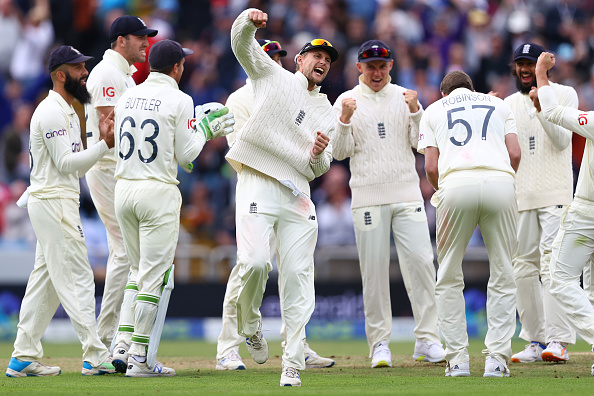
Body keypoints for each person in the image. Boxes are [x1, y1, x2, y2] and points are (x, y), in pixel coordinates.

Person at [227, 8, 336, 387]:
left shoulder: (327, 110)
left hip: (297, 195)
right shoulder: (271, 76)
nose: (321, 62)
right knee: (255, 264)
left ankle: (293, 363)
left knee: (299, 278)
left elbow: (321, 167)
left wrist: (320, 152)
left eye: (327, 59)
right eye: (315, 56)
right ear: (299, 60)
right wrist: (246, 20)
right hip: (258, 180)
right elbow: (241, 46)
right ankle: (252, 324)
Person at [112, 39, 234, 377]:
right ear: (177, 67)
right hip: (157, 192)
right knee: (155, 275)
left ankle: (121, 347)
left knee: (136, 272)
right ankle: (139, 357)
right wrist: (206, 130)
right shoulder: (181, 99)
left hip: (124, 189)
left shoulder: (128, 95)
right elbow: (186, 155)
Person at [332, 40, 445, 368]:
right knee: (374, 273)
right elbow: (339, 153)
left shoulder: (406, 96)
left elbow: (421, 146)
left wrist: (416, 112)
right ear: (359, 68)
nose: (377, 72)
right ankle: (380, 344)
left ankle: (427, 339)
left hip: (407, 194)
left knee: (423, 264)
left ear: (391, 66)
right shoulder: (346, 101)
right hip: (367, 198)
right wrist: (343, 120)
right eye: (370, 66)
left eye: (382, 66)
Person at [6, 45, 117, 377]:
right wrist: (104, 145)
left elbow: (76, 170)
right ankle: (95, 355)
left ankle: (23, 355)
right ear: (59, 75)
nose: (84, 72)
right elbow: (67, 164)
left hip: (59, 199)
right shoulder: (52, 111)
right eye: (77, 68)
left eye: (84, 66)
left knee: (48, 283)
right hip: (53, 202)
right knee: (77, 277)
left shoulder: (70, 109)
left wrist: (98, 142)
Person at [418, 71, 521, 377]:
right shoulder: (499, 105)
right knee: (504, 273)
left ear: (443, 92)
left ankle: (458, 361)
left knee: (448, 275)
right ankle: (497, 360)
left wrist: (444, 191)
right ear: (473, 89)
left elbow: (431, 166)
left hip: (456, 185)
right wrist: (503, 177)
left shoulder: (434, 109)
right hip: (500, 182)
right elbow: (514, 153)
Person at [84, 15, 158, 360]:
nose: (146, 43)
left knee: (128, 253)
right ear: (120, 40)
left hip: (123, 171)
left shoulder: (125, 75)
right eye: (140, 37)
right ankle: (104, 341)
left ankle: (111, 340)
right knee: (126, 252)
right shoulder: (106, 74)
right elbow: (108, 132)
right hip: (107, 168)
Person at [504, 43, 576, 364]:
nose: (525, 69)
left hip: (556, 195)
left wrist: (540, 107)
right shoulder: (506, 104)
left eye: (531, 64)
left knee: (553, 267)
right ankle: (536, 340)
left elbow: (562, 141)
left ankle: (558, 340)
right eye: (520, 63)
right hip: (520, 198)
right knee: (522, 269)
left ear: (543, 67)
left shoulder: (564, 94)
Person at [534, 51, 594, 376]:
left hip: (587, 212)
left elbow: (554, 111)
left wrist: (542, 74)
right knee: (593, 291)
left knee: (558, 280)